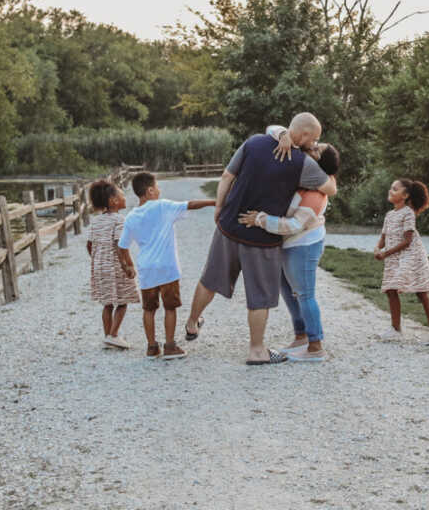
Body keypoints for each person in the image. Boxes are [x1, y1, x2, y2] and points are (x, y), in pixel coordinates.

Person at [185, 112, 337, 365]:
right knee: (259, 296)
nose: (314, 143)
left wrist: (220, 208)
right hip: (262, 237)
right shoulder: (303, 163)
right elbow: (330, 189)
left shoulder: (254, 141)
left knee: (209, 280)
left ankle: (191, 323)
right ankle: (256, 351)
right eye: (315, 139)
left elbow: (226, 177)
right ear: (307, 134)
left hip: (230, 225)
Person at [238, 125, 340, 362]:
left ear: (321, 163)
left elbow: (294, 225)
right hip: (290, 244)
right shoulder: (305, 180)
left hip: (303, 244)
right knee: (287, 289)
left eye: (317, 148)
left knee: (305, 294)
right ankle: (301, 335)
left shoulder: (315, 195)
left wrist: (260, 220)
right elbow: (271, 128)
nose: (312, 146)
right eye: (315, 143)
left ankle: (316, 347)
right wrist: (284, 135)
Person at [117, 172, 215, 359]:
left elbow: (122, 246)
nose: (160, 191)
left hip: (147, 270)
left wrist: (128, 266)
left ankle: (152, 347)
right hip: (167, 269)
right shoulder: (162, 206)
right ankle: (170, 346)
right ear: (150, 190)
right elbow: (191, 204)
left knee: (149, 309)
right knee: (170, 308)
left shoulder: (131, 217)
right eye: (157, 187)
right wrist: (214, 202)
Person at [374, 179, 429, 345]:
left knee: (421, 291)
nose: (390, 191)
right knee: (391, 290)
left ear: (405, 195)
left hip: (411, 257)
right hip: (394, 258)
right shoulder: (389, 215)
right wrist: (378, 248)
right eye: (391, 188)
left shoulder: (408, 213)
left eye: (395, 189)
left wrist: (385, 254)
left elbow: (407, 241)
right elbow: (384, 237)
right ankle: (395, 329)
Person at [87, 179, 139, 350]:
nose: (125, 197)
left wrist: (97, 260)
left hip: (100, 266)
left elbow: (89, 245)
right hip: (116, 266)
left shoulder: (95, 221)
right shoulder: (119, 220)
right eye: (122, 195)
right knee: (123, 301)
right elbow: (120, 246)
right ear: (113, 201)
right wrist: (128, 266)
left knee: (107, 303)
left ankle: (107, 336)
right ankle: (114, 334)